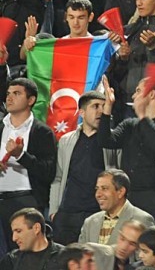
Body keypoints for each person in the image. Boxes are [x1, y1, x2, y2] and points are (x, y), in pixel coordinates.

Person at [49, 91, 119, 245]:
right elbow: (58, 177)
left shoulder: (113, 141)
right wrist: (54, 210)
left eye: (104, 106)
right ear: (82, 112)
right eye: (95, 106)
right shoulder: (66, 140)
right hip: (68, 213)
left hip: (99, 212)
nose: (101, 111)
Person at [98, 77, 155, 226]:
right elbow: (105, 141)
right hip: (128, 197)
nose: (133, 96)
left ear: (151, 94)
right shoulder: (130, 124)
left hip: (154, 197)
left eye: (138, 91)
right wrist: (108, 106)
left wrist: (143, 116)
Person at [0, 78, 56, 250]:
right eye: (8, 94)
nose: (9, 98)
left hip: (25, 201)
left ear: (31, 100)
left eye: (16, 94)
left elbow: (48, 172)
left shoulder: (42, 132)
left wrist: (21, 155)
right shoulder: (0, 127)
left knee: (25, 256)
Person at [78, 169, 154, 245]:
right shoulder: (89, 223)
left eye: (104, 188)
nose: (98, 194)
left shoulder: (142, 220)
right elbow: (80, 255)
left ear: (120, 192)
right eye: (97, 189)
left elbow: (144, 255)